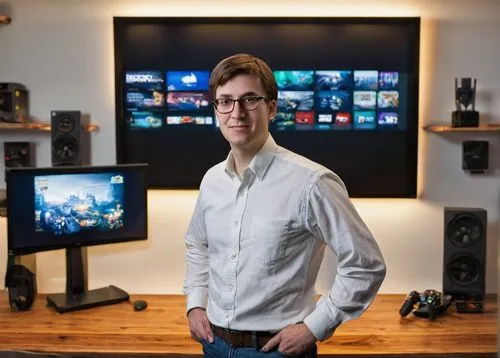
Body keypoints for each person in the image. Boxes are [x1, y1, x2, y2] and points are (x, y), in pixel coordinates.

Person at [183, 53, 386, 358]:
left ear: (272, 108)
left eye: (249, 100)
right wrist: (195, 303)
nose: (236, 113)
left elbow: (365, 264)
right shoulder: (212, 180)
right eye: (225, 101)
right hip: (213, 344)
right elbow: (198, 245)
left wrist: (314, 327)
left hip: (275, 350)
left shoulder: (312, 182)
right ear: (216, 109)